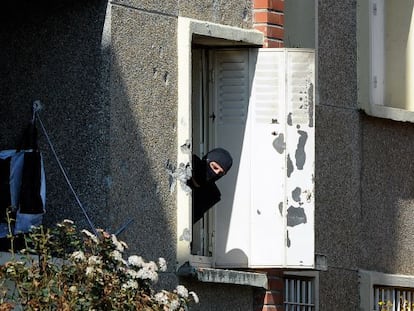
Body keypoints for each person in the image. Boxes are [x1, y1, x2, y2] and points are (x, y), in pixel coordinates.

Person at [187, 148, 233, 223]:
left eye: (220, 173)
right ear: (206, 160)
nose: (216, 173)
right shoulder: (187, 162)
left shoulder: (211, 195)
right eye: (214, 167)